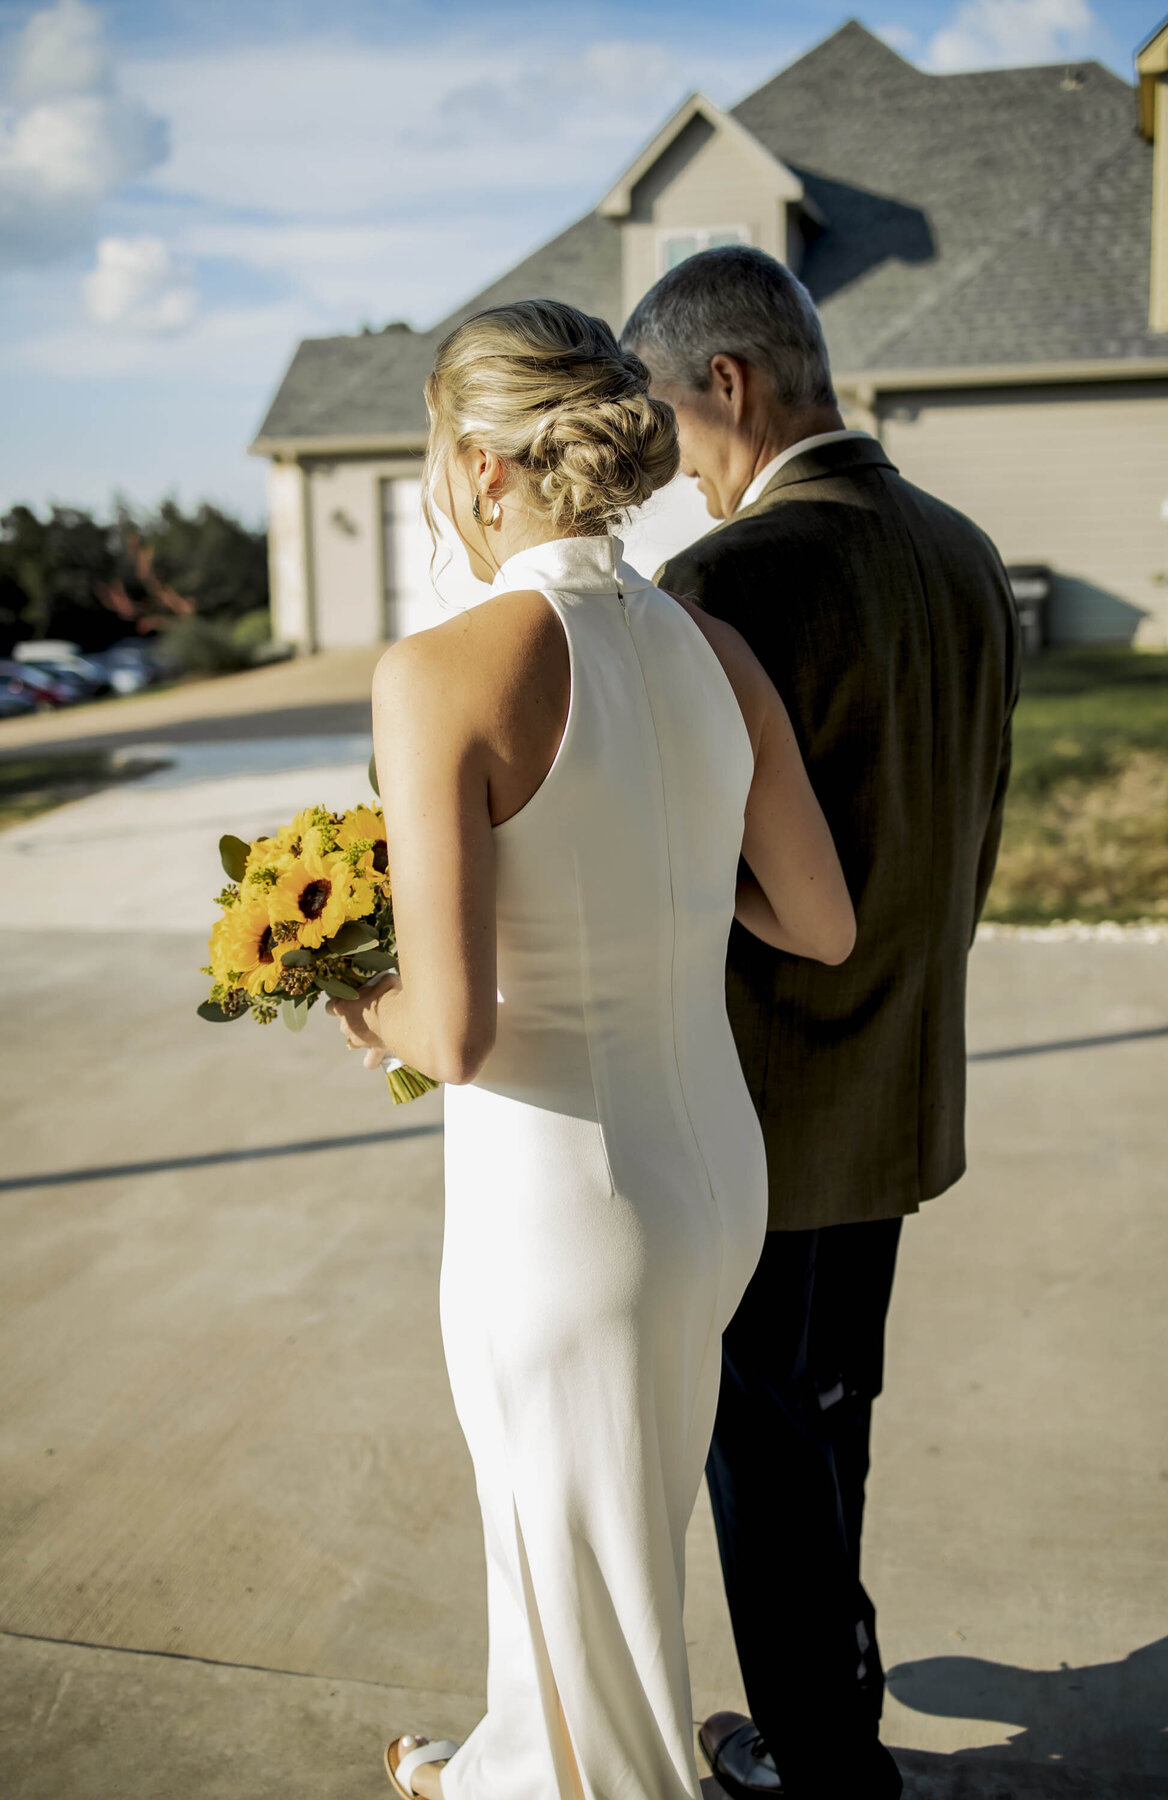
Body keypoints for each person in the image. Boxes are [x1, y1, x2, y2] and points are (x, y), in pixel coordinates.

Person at [325, 297, 856, 1800]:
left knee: (572, 1563)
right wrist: (667, 882)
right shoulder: (716, 650)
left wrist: (344, 994)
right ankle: (511, 1758)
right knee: (602, 1560)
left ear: (487, 463)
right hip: (715, 1185)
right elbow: (822, 923)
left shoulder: (439, 677)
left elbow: (460, 1032)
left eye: (439, 450)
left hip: (560, 1211)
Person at [622, 246, 1020, 1800]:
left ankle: (821, 1755)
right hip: (903, 1079)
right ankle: (835, 1682)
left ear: (729, 384)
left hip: (764, 1105)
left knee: (766, 1452)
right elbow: (966, 827)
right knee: (833, 1417)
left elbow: (672, 866)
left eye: (666, 422)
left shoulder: (733, 582)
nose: (665, 466)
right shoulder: (967, 550)